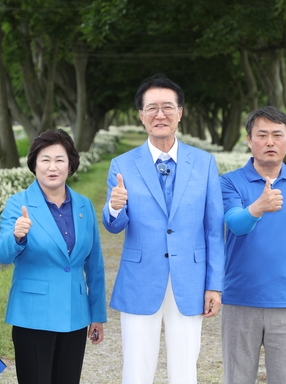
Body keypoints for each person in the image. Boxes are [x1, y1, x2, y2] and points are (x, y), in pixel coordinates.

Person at [102, 74, 224, 384]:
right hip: (140, 277)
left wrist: (215, 285)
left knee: (185, 369)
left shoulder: (205, 163)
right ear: (141, 115)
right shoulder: (123, 164)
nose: (160, 114)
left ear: (180, 112)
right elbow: (113, 225)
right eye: (152, 108)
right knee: (137, 369)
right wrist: (115, 206)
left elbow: (213, 229)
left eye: (168, 107)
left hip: (191, 278)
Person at [0, 129, 106, 384]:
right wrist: (17, 237)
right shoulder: (18, 203)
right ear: (34, 164)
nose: (52, 167)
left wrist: (97, 313)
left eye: (59, 159)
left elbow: (95, 264)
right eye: (45, 159)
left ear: (70, 165)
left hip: (75, 314)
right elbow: (1, 255)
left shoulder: (84, 205)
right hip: (33, 314)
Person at [220, 106, 286, 384]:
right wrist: (258, 208)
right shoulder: (229, 182)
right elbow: (235, 224)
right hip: (240, 297)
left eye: (277, 135)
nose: (270, 142)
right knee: (237, 378)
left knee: (285, 379)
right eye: (261, 135)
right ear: (249, 140)